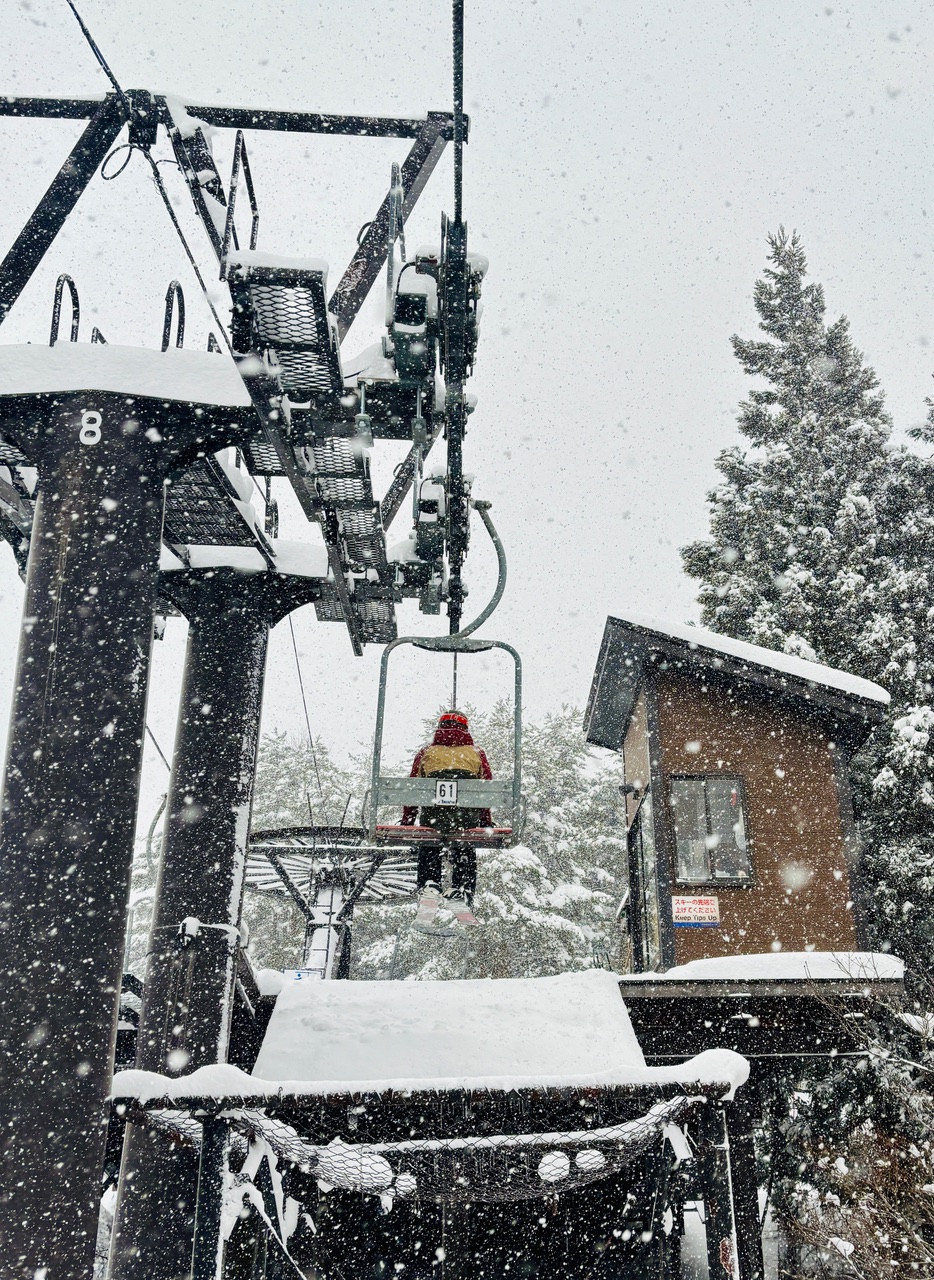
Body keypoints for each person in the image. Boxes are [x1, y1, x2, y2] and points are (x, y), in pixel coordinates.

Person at [401, 710, 492, 905]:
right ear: (465, 729)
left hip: (434, 817)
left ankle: (429, 883)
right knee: (464, 842)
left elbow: (412, 790)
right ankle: (462, 887)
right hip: (465, 819)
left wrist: (407, 820)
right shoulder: (476, 754)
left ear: (440, 728)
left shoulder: (426, 753)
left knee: (430, 839)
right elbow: (487, 791)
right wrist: (485, 821)